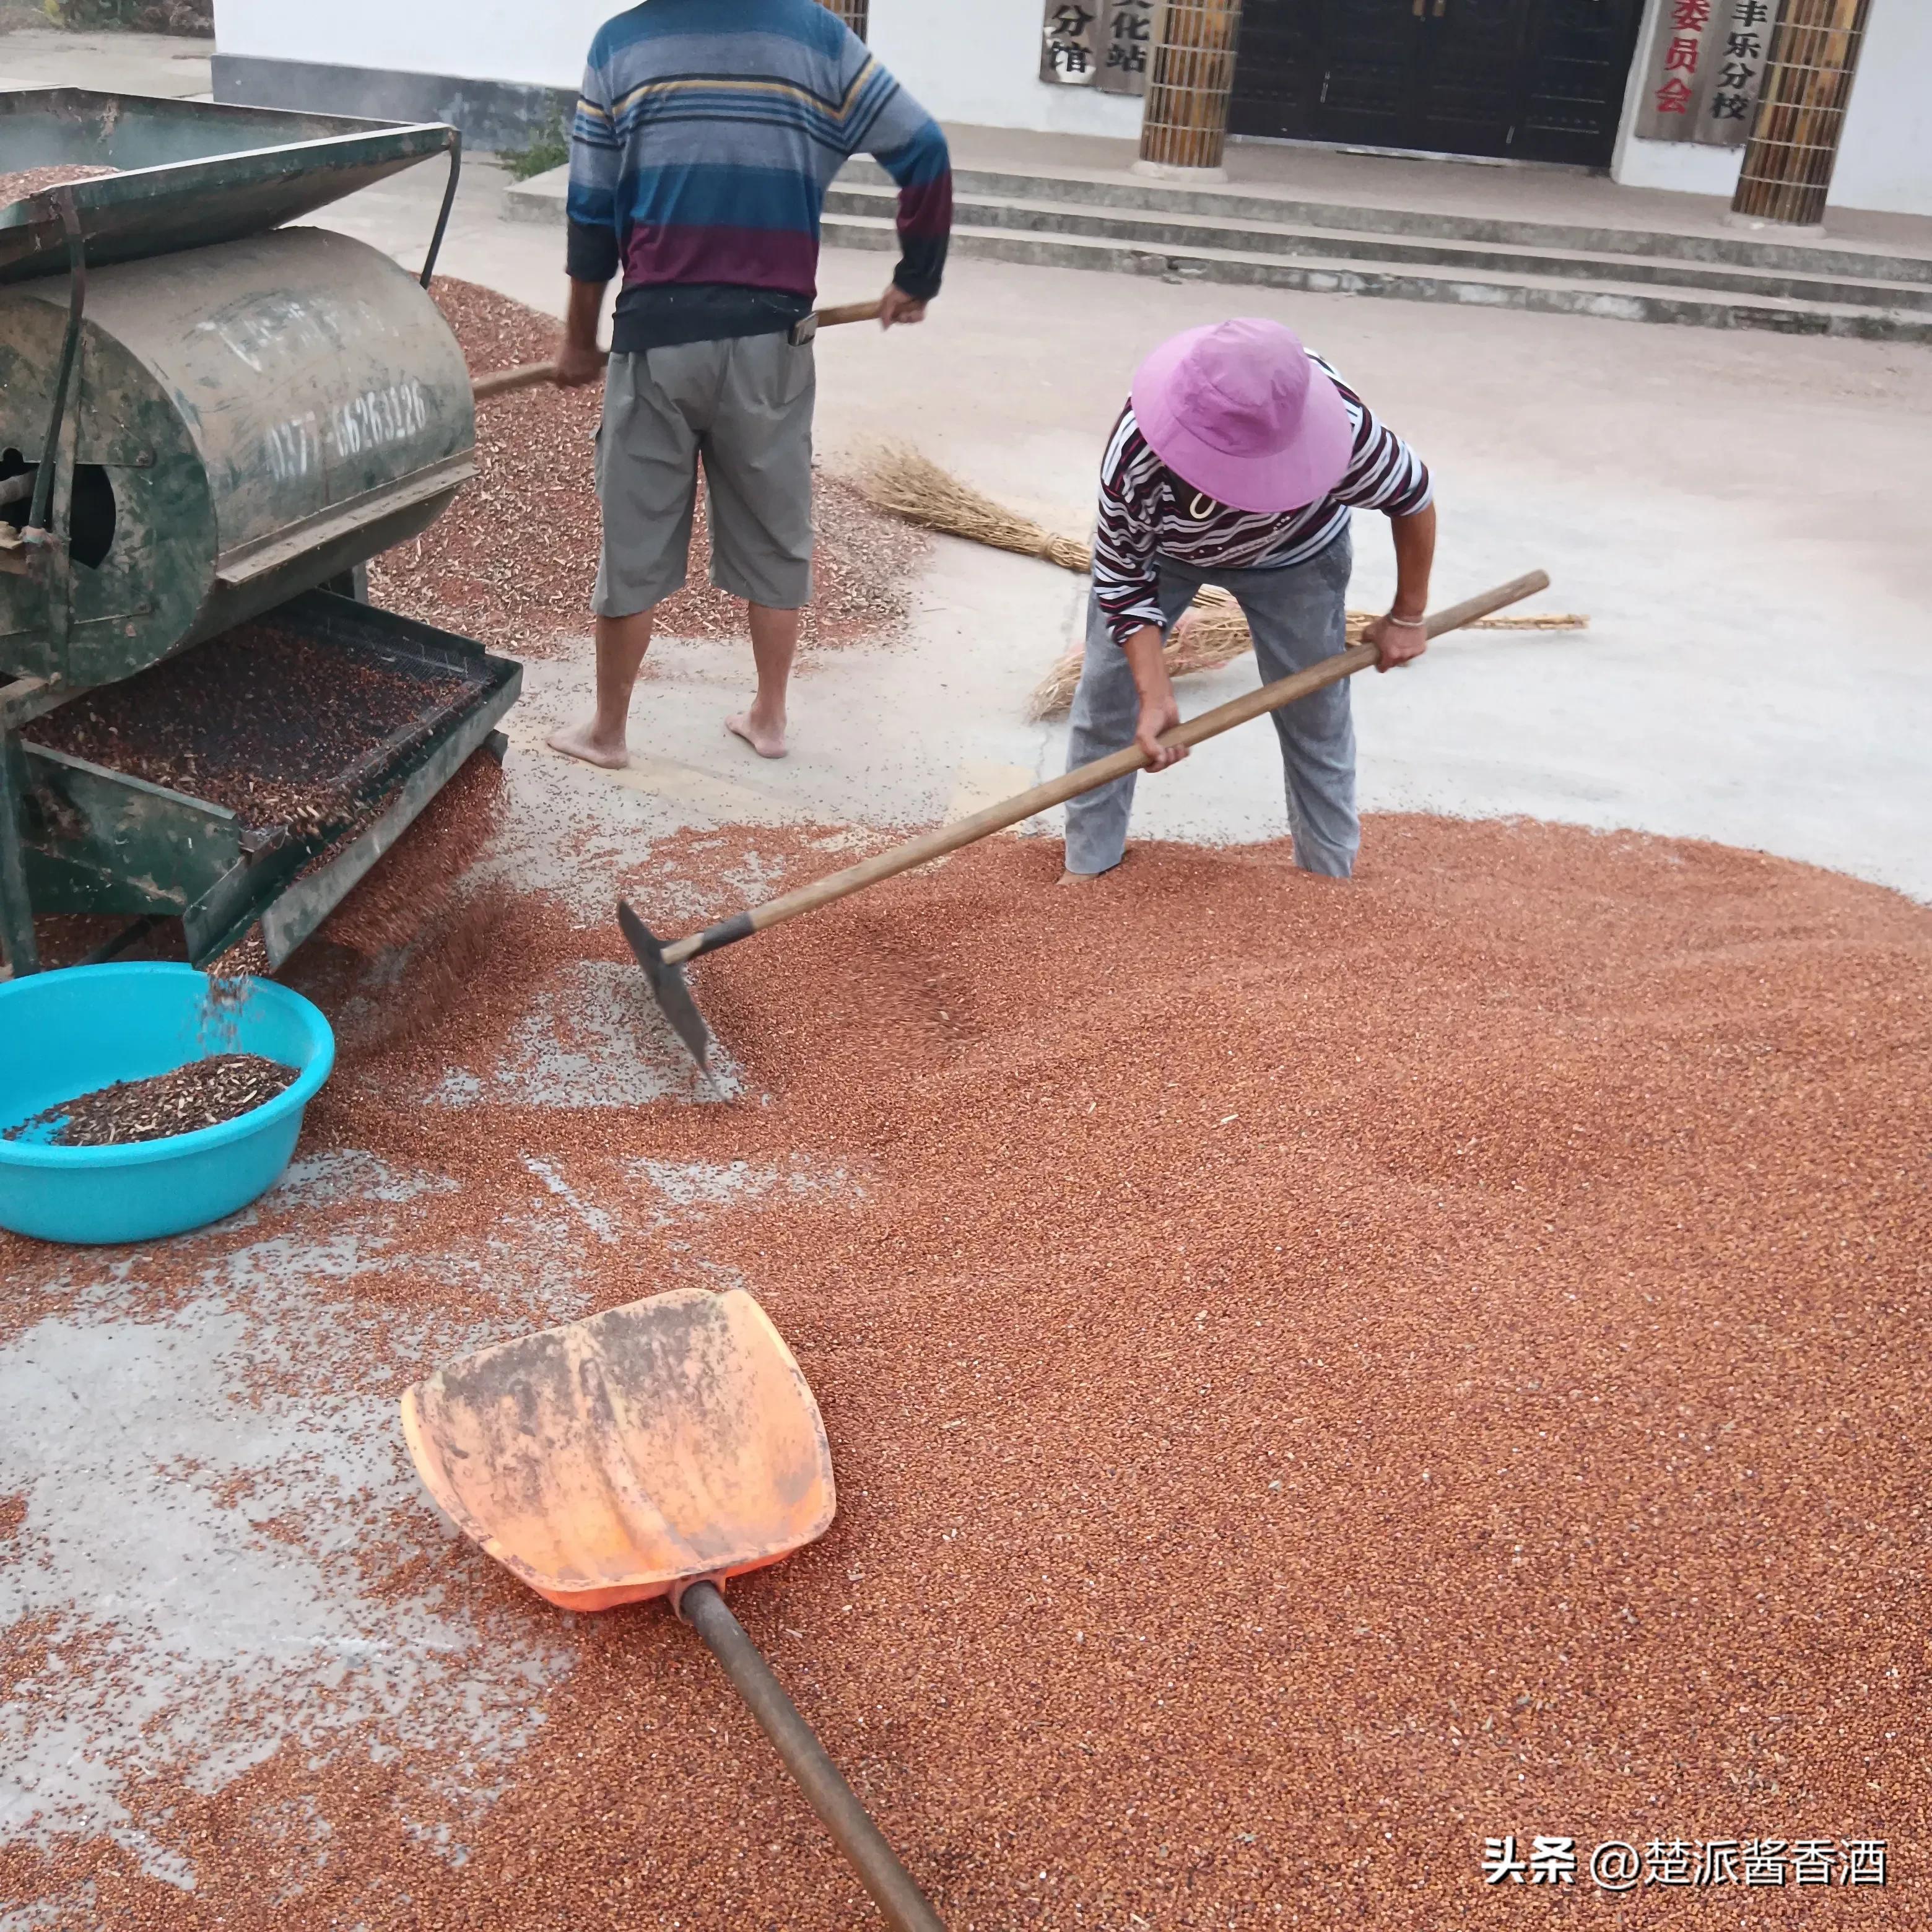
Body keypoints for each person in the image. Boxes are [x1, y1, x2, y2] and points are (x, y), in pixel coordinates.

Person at [547, 0, 951, 768]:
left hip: (657, 339)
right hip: (773, 339)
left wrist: (577, 338)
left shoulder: (621, 45)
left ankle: (607, 732)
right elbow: (924, 148)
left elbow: (592, 211)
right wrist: (917, 276)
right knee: (774, 532)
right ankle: (768, 719)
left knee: (633, 542)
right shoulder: (817, 39)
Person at [1062, 316, 1436, 883]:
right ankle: (1089, 868)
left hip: (1297, 555)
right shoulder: (1136, 453)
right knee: (1108, 701)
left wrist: (1407, 616)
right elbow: (1121, 579)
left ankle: (1327, 879)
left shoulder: (1346, 434)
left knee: (1315, 713)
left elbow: (1413, 495)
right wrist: (1155, 689)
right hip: (1165, 555)